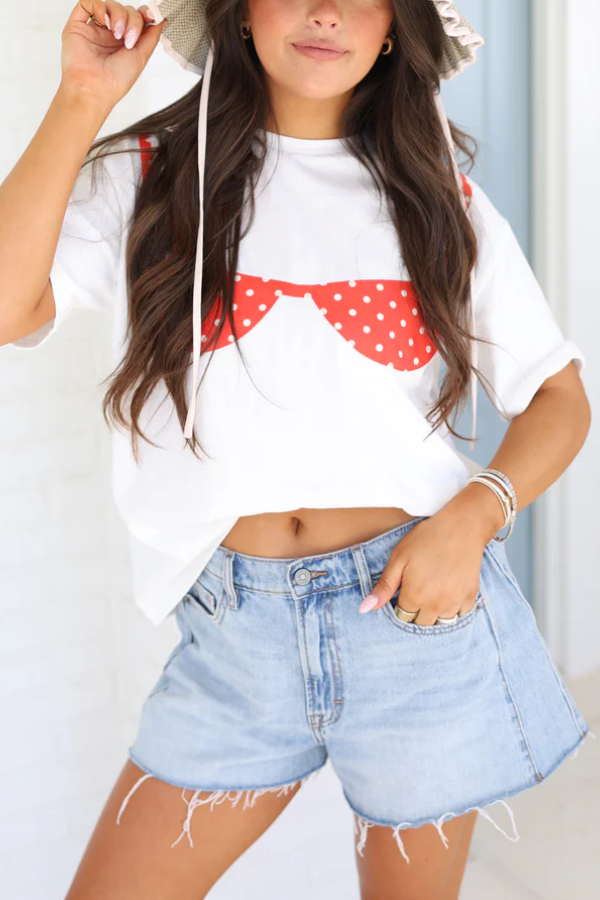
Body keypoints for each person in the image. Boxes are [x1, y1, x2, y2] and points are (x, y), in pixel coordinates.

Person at [0, 1, 594, 897]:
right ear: (239, 13)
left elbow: (559, 396)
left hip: (414, 620)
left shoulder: (440, 198)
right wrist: (83, 97)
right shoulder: (150, 174)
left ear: (395, 27)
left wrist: (476, 516)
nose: (325, 12)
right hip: (235, 641)